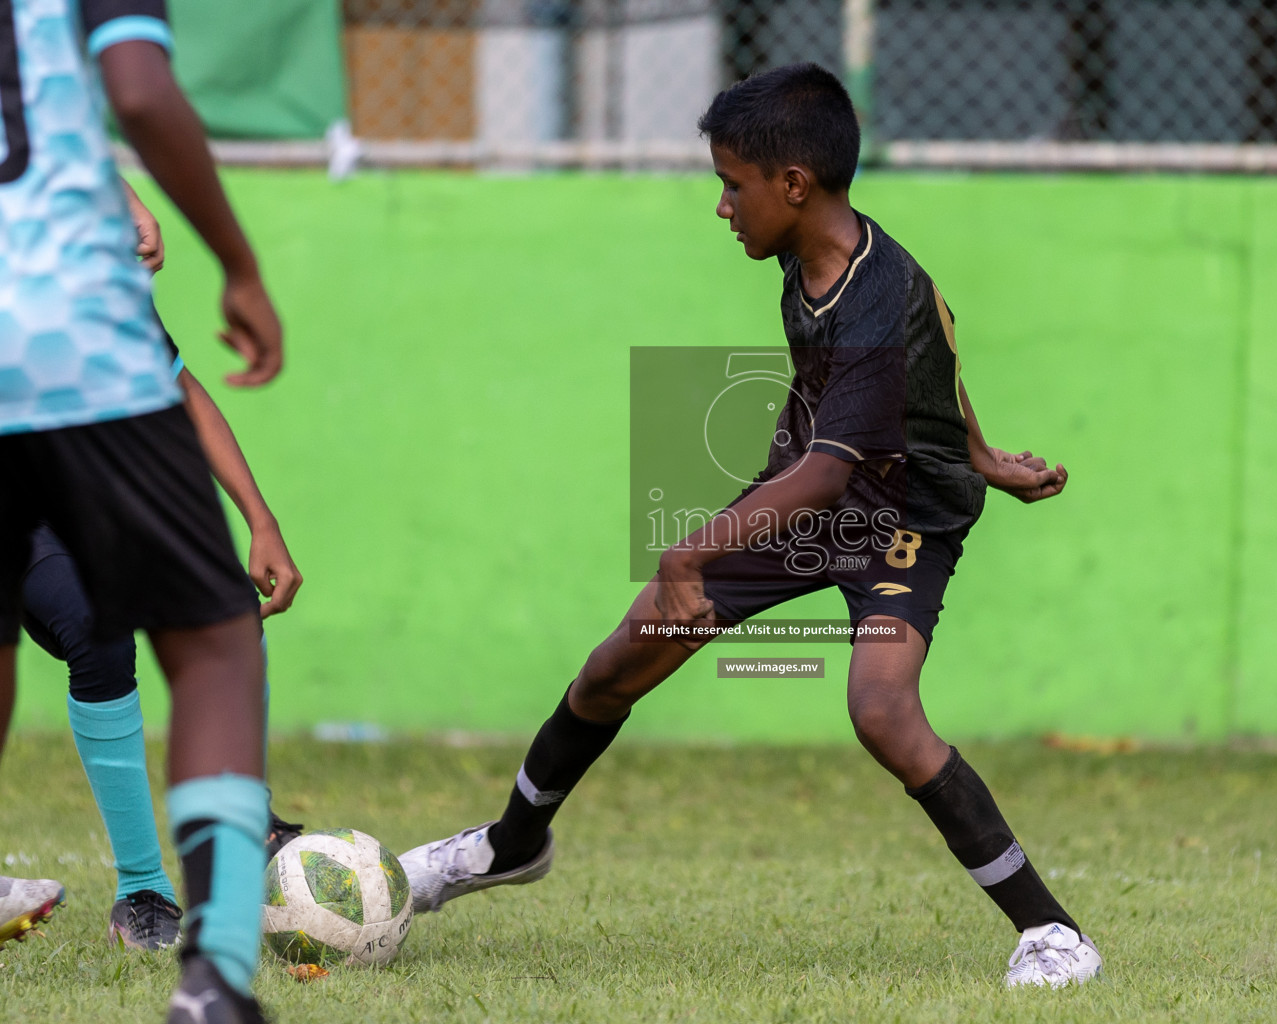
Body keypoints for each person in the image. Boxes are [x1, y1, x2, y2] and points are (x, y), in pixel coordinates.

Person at [400, 63, 1101, 989]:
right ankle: (509, 844)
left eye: (732, 185)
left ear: (793, 186)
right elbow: (943, 339)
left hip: (898, 517)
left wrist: (695, 544)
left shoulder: (873, 293)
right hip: (815, 487)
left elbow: (828, 470)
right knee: (619, 662)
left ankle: (1054, 935)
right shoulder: (809, 254)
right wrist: (983, 448)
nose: (722, 206)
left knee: (882, 710)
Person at [0, 2, 283, 1021]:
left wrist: (259, 512)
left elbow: (178, 378)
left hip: (77, 339)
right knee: (214, 639)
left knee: (92, 630)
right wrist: (237, 261)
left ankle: (144, 893)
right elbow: (136, 87)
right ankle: (212, 971)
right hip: (64, 342)